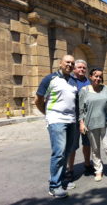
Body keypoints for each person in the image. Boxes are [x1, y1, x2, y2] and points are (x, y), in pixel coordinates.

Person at [35, 55, 77, 198]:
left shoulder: (72, 81)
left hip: (71, 120)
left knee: (67, 151)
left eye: (72, 63)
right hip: (56, 120)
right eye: (67, 62)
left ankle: (61, 179)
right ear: (60, 64)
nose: (70, 65)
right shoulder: (50, 79)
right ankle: (54, 186)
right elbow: (38, 99)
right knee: (58, 152)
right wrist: (47, 114)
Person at [79, 67, 107, 182]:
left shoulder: (106, 89)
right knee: (95, 149)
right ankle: (98, 171)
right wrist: (81, 123)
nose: (98, 78)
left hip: (106, 123)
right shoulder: (84, 90)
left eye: (100, 76)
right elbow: (81, 110)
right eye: (96, 76)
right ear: (91, 77)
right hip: (91, 124)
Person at [67, 60, 93, 181]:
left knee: (87, 143)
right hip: (73, 119)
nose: (82, 69)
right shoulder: (69, 81)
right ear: (74, 69)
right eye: (79, 68)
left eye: (84, 67)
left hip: (87, 119)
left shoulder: (89, 81)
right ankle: (70, 169)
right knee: (72, 145)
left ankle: (87, 165)